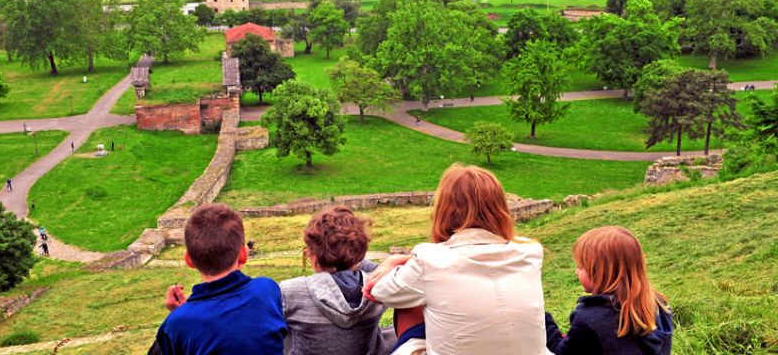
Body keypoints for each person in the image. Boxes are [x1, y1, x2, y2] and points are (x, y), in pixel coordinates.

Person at [364, 164, 546, 354]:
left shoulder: (430, 259)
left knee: (407, 304)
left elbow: (379, 292)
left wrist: (395, 261)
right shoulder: (530, 252)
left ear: (444, 210)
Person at [155, 204, 287, 355]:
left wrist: (181, 314)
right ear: (244, 255)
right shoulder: (267, 289)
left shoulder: (177, 324)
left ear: (189, 260)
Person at [280, 206, 391, 355]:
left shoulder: (290, 291)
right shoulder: (377, 285)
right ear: (359, 254)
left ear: (313, 259)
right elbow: (408, 268)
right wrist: (351, 256)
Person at [544, 226, 673, 355]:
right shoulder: (659, 304)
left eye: (580, 267)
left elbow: (562, 353)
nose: (576, 271)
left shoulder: (589, 319)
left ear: (600, 272)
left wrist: (542, 319)